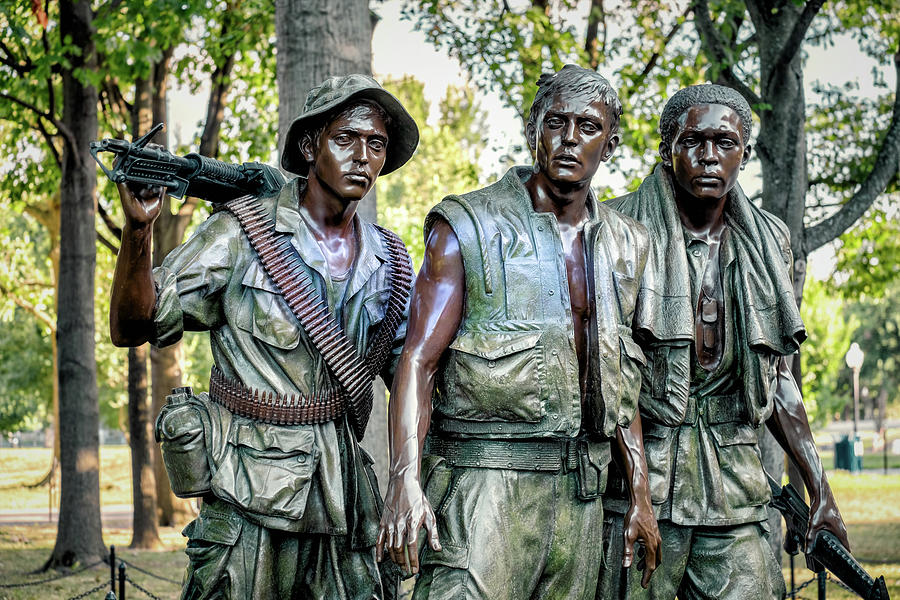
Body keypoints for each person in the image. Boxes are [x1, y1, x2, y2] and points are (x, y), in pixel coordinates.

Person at [109, 74, 419, 600]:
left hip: (344, 499)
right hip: (249, 493)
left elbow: (414, 375)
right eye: (345, 138)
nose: (362, 156)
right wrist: (139, 232)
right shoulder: (240, 234)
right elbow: (131, 326)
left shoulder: (389, 261)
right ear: (308, 146)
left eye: (376, 144)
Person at [376, 64, 661, 600]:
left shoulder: (628, 244)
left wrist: (641, 494)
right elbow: (417, 360)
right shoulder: (468, 226)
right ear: (534, 128)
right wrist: (404, 478)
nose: (570, 139)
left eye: (588, 126)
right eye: (556, 122)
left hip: (580, 496)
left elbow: (623, 382)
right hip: (484, 483)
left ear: (612, 143)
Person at [598, 84, 850, 600]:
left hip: (734, 485)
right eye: (693, 141)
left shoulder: (768, 240)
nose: (709, 155)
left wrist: (821, 489)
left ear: (745, 153)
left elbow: (778, 379)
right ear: (666, 150)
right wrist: (639, 494)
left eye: (725, 142)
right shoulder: (618, 228)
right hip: (643, 484)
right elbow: (613, 379)